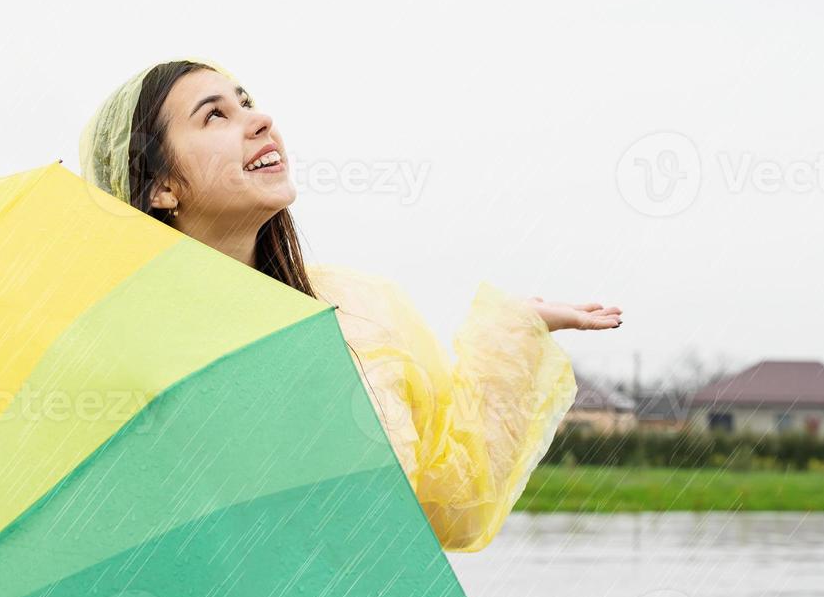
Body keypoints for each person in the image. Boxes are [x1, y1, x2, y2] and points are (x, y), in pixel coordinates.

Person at [78, 59, 623, 552]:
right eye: (214, 116)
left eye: (245, 101)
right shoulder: (116, 356)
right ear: (161, 187)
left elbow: (451, 502)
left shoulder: (357, 315)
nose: (259, 119)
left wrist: (515, 334)